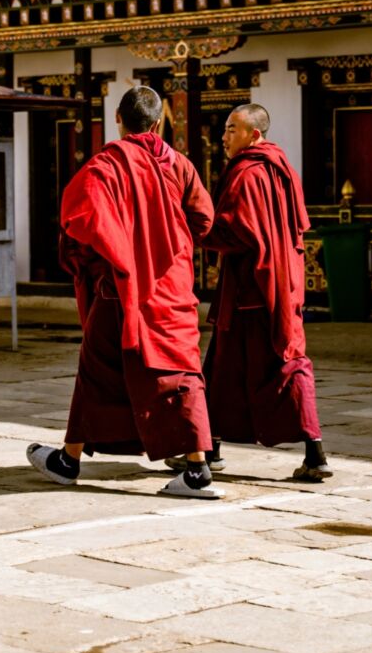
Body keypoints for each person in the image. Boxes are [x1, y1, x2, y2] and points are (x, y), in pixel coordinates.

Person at [27, 85, 222, 498]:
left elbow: (78, 218)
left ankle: (68, 460)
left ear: (117, 119)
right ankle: (196, 470)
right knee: (181, 372)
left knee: (95, 370)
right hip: (172, 287)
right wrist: (170, 245)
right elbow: (204, 220)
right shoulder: (180, 165)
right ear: (158, 123)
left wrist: (113, 252)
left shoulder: (106, 164)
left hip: (122, 287)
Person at [195, 102, 331, 482]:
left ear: (254, 135)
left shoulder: (246, 173)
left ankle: (209, 452)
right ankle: (312, 452)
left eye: (232, 129)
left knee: (228, 370)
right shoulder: (282, 168)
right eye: (225, 128)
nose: (224, 137)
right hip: (283, 284)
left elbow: (237, 232)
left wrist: (196, 226)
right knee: (281, 363)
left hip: (250, 291)